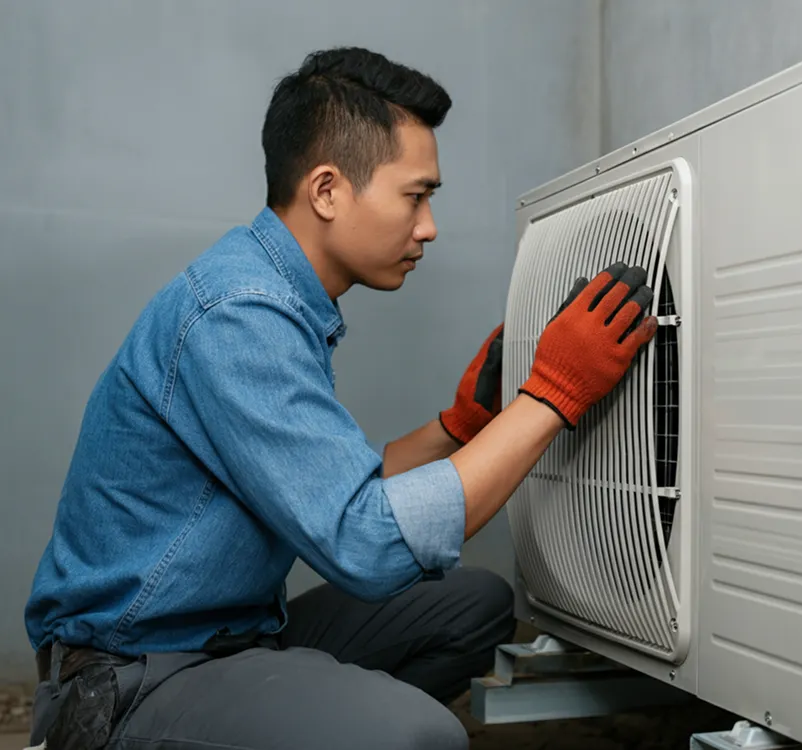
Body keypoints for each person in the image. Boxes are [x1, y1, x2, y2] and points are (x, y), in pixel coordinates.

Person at [23, 45, 658, 750]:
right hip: (129, 682)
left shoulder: (276, 297)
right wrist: (554, 394)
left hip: (233, 640)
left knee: (472, 605)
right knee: (418, 735)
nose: (428, 227)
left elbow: (333, 495)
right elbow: (366, 543)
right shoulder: (240, 313)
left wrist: (460, 426)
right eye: (415, 196)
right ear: (327, 191)